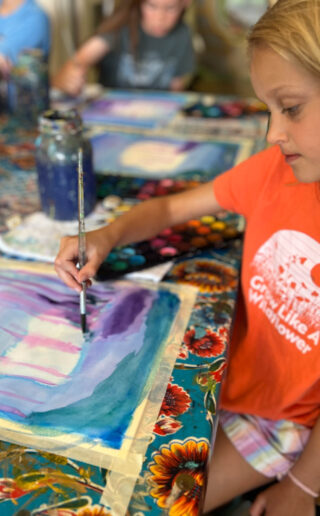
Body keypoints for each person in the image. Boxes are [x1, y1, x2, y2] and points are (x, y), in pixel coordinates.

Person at [54, 0, 320, 514]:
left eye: (289, 107)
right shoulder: (272, 171)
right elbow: (173, 206)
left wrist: (303, 489)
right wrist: (109, 235)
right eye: (267, 109)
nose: (272, 133)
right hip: (219, 372)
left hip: (278, 420)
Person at [52, 0, 195, 96]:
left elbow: (176, 88)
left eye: (170, 8)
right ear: (139, 3)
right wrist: (66, 77)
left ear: (186, 3)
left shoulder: (182, 34)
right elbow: (79, 60)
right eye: (152, 6)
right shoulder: (119, 27)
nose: (160, 17)